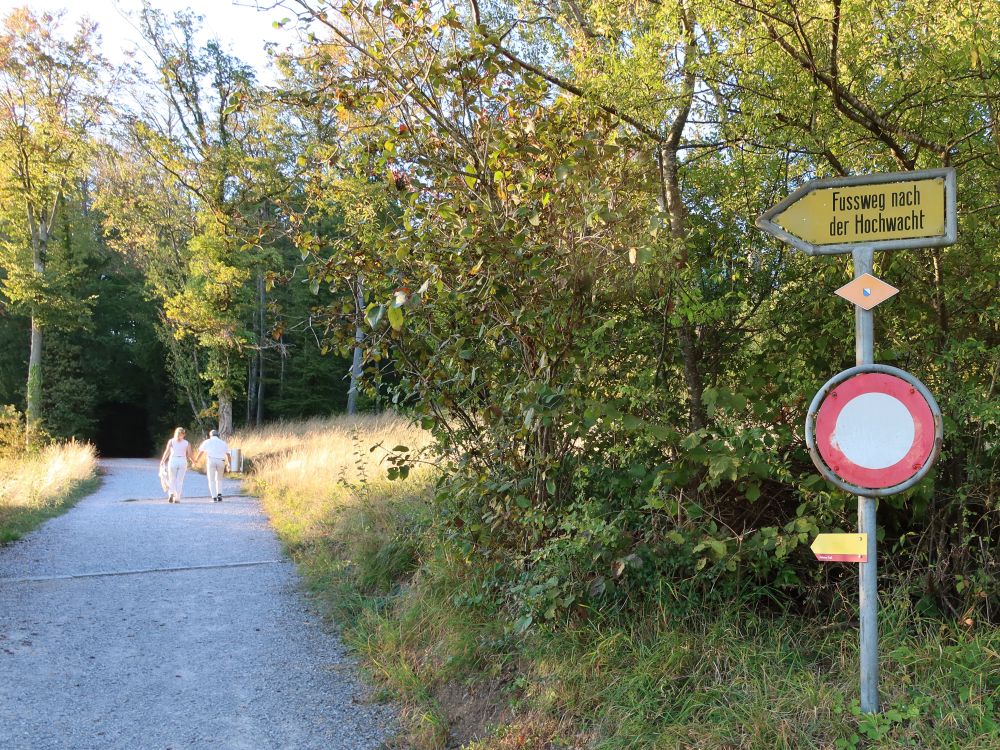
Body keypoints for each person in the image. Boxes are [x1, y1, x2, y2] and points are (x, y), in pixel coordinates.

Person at [159, 427, 193, 503]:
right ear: (183, 434)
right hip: (182, 461)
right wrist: (194, 461)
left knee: (172, 479)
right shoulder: (187, 443)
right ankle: (177, 498)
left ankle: (171, 493)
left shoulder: (171, 441)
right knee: (179, 480)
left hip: (173, 460)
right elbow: (190, 455)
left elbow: (167, 451)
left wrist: (162, 460)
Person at [196, 429, 231, 502]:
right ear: (218, 435)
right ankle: (220, 494)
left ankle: (214, 497)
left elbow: (201, 452)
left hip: (211, 460)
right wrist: (229, 464)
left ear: (210, 435)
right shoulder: (223, 443)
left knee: (211, 479)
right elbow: (228, 454)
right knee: (219, 479)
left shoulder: (207, 442)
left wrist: (196, 460)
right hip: (221, 461)